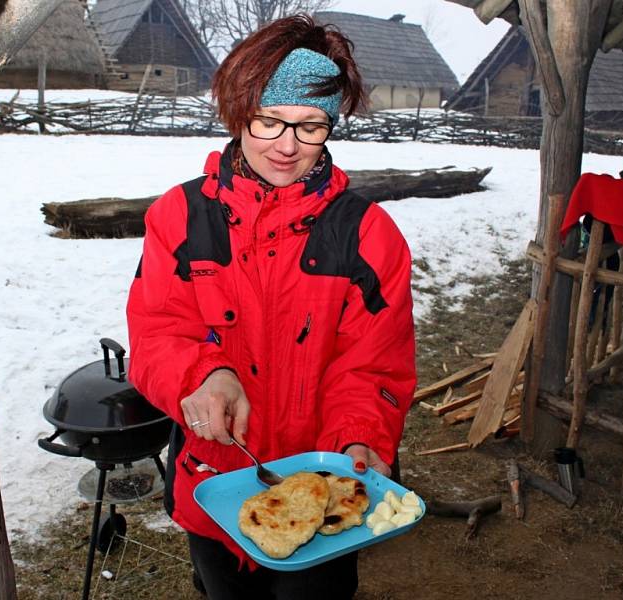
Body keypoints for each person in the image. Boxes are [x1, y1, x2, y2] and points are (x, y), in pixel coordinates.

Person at [126, 14, 416, 600]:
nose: (288, 146)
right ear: (239, 115)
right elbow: (156, 335)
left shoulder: (370, 236)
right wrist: (202, 374)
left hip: (324, 488)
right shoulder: (179, 217)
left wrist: (358, 437)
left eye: (311, 126)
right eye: (270, 121)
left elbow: (372, 366)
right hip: (215, 480)